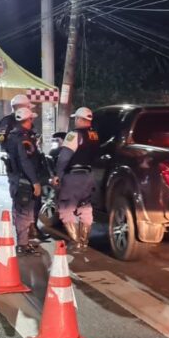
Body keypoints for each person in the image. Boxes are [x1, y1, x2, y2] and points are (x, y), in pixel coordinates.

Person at [52, 107, 99, 251]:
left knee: (66, 209)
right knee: (85, 208)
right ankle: (84, 242)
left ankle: (75, 241)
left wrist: (57, 175)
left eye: (75, 119)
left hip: (73, 177)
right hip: (89, 176)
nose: (75, 121)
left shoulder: (73, 135)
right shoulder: (94, 135)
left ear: (79, 119)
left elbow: (64, 158)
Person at [5, 106, 42, 254]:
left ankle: (23, 241)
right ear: (28, 120)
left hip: (18, 178)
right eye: (31, 119)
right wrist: (35, 181)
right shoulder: (22, 138)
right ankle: (22, 244)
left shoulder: (17, 135)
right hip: (23, 179)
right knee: (24, 211)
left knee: (21, 210)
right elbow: (25, 161)